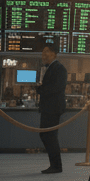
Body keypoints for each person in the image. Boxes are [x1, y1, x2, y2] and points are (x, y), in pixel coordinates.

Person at [37, 42, 67, 174]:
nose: (44, 54)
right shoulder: (50, 68)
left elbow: (57, 88)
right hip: (49, 107)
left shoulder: (59, 68)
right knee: (46, 135)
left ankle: (56, 166)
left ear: (54, 53)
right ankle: (54, 165)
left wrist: (40, 89)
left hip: (52, 108)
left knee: (49, 135)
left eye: (46, 51)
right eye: (43, 52)